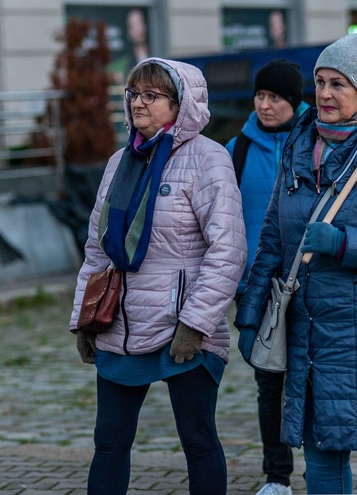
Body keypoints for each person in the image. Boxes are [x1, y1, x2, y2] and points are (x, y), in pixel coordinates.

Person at [235, 33, 357, 495]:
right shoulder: (298, 147)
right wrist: (250, 314)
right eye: (320, 82)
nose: (324, 94)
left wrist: (344, 243)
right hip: (311, 336)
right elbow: (271, 240)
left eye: (338, 84)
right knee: (322, 452)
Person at [70, 58, 248, 495]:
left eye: (151, 95)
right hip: (121, 324)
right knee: (109, 443)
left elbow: (228, 250)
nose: (138, 103)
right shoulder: (120, 161)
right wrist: (84, 319)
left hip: (182, 327)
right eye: (133, 94)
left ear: (181, 104)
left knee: (198, 441)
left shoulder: (209, 159)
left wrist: (197, 323)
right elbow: (98, 246)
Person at [226, 58, 309, 495]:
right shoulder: (235, 150)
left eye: (275, 97)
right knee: (269, 383)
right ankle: (277, 476)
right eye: (260, 95)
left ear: (294, 103)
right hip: (257, 285)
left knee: (315, 378)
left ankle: (322, 467)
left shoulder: (315, 143)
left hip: (310, 281)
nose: (265, 104)